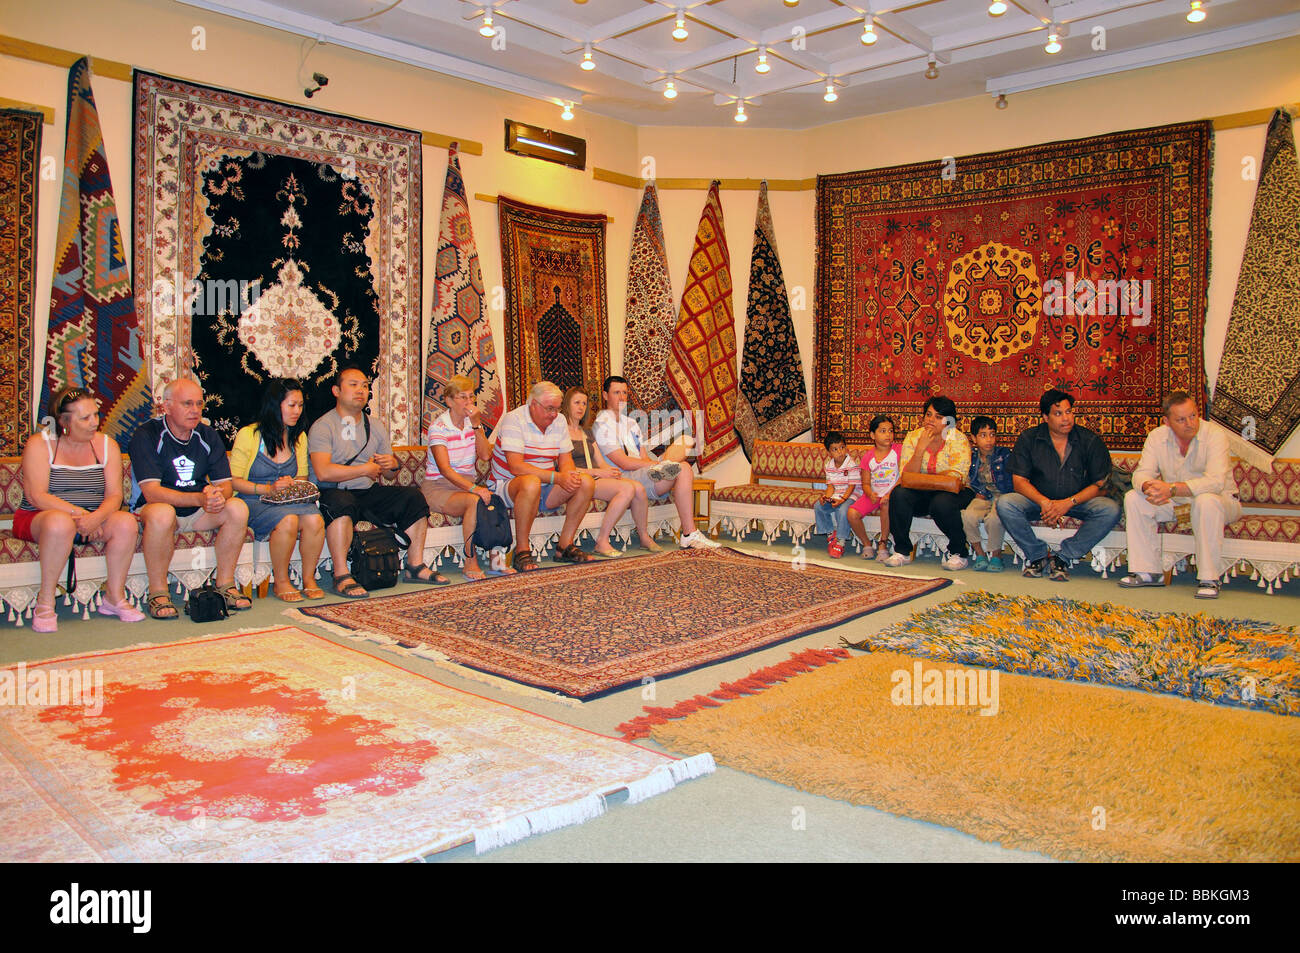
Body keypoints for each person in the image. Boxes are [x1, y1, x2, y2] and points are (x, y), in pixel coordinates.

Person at [16, 387, 145, 632]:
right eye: (85, 418)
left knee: (126, 522)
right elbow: (36, 495)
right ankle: (45, 602)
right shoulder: (39, 444)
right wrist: (81, 515)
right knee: (59, 522)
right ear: (63, 421)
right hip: (41, 518)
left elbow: (115, 495)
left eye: (96, 415)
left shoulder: (107, 445)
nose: (94, 422)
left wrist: (97, 518)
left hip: (91, 518)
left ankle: (114, 597)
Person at [308, 365, 442, 598]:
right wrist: (364, 469)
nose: (361, 390)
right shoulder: (323, 426)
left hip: (366, 491)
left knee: (413, 497)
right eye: (353, 385)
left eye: (364, 386)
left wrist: (390, 465)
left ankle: (414, 566)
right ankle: (341, 575)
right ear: (336, 391)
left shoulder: (376, 425)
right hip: (334, 491)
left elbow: (387, 475)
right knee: (340, 502)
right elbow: (323, 473)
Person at [128, 378, 252, 619]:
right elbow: (152, 493)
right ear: (166, 406)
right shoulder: (147, 435)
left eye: (198, 404)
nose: (195, 410)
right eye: (187, 404)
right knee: (162, 513)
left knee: (237, 508)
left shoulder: (207, 435)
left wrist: (216, 496)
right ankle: (158, 592)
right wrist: (200, 499)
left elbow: (225, 485)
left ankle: (225, 585)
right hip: (158, 510)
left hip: (197, 511)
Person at [1119, 391, 1241, 599]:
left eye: (1193, 416)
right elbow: (1141, 474)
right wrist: (1150, 487)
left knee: (1205, 500)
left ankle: (1210, 579)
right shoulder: (1157, 437)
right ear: (1167, 421)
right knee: (1133, 497)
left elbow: (1216, 482)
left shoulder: (1215, 435)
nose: (1190, 423)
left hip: (1222, 501)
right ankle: (1148, 572)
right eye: (1181, 419)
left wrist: (1171, 488)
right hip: (1176, 502)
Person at [996, 388, 1121, 581]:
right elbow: (1019, 482)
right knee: (1006, 504)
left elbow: (1100, 485)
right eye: (1058, 413)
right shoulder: (1029, 438)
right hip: (1038, 502)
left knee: (1110, 509)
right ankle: (1037, 556)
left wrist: (1068, 502)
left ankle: (1063, 557)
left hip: (1077, 501)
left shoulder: (1089, 440)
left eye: (1069, 412)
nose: (1066, 418)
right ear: (1045, 417)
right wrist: (1045, 502)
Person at [592, 375, 719, 550]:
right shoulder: (602, 425)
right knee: (682, 469)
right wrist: (653, 465)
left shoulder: (631, 423)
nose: (621, 397)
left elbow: (642, 456)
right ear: (605, 396)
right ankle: (689, 533)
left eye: (624, 393)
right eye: (616, 393)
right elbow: (623, 463)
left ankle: (689, 533)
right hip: (624, 476)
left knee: (686, 445)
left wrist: (654, 464)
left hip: (646, 473)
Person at [230, 378, 326, 601]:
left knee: (315, 520)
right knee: (288, 520)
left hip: (287, 499)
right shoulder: (249, 435)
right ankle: (281, 581)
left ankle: (308, 578)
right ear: (275, 405)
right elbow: (233, 481)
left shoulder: (298, 437)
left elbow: (302, 475)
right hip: (254, 499)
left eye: (300, 406)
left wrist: (291, 485)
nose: (297, 411)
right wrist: (267, 488)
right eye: (291, 405)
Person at [489, 380, 597, 571]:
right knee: (531, 483)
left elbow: (565, 460)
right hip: (507, 486)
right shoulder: (514, 419)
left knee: (585, 482)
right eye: (549, 409)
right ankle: (521, 550)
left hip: (544, 486)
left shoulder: (559, 420)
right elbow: (516, 467)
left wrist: (569, 476)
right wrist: (557, 478)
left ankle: (564, 546)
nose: (554, 414)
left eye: (557, 409)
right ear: (533, 405)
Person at [419, 375, 503, 581]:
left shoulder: (470, 424)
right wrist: (474, 489)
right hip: (438, 487)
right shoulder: (438, 427)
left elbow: (485, 455)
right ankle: (470, 562)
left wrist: (477, 425)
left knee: (495, 499)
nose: (469, 402)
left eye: (471, 396)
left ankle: (497, 562)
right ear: (449, 401)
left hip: (464, 485)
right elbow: (445, 469)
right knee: (476, 500)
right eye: (462, 397)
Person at [564, 385, 660, 558]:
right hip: (577, 478)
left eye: (584, 404)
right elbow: (565, 467)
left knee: (638, 487)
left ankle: (644, 536)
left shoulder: (586, 432)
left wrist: (611, 471)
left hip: (595, 477)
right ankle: (602, 541)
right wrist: (599, 473)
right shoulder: (561, 432)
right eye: (576, 403)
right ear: (567, 405)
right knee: (627, 488)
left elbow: (601, 461)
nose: (581, 407)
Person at [883, 396, 974, 570]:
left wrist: (925, 479)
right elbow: (907, 475)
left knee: (941, 502)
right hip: (922, 491)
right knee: (899, 494)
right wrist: (920, 450)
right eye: (928, 415)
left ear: (948, 421)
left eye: (938, 417)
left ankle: (959, 553)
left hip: (956, 492)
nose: (931, 420)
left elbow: (957, 476)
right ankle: (902, 551)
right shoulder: (914, 436)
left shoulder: (958, 439)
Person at [962, 415, 1014, 572]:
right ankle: (980, 554)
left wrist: (1003, 496)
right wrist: (979, 491)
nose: (989, 440)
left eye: (992, 434)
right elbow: (970, 479)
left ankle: (996, 555)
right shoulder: (971, 456)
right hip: (983, 496)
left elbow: (1012, 479)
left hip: (1002, 496)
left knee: (994, 519)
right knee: (967, 515)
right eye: (983, 435)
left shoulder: (1004, 454)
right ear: (974, 438)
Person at [847, 415, 902, 561]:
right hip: (873, 494)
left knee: (886, 505)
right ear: (872, 435)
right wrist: (870, 493)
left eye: (890, 431)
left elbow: (904, 476)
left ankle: (883, 543)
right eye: (883, 431)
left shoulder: (899, 451)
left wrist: (890, 494)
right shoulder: (868, 457)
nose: (888, 435)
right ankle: (867, 544)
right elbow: (865, 482)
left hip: (891, 495)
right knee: (852, 513)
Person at [814, 431, 859, 558]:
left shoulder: (851, 464)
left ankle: (841, 541)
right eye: (835, 449)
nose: (840, 451)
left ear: (846, 448)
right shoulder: (829, 466)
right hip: (836, 495)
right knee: (819, 506)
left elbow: (852, 486)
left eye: (842, 447)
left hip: (851, 495)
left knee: (844, 510)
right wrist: (826, 497)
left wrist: (843, 499)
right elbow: (830, 487)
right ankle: (830, 535)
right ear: (829, 453)